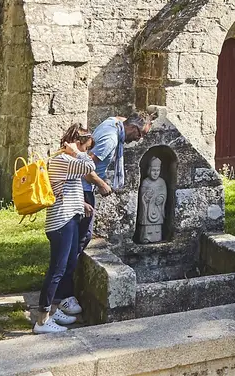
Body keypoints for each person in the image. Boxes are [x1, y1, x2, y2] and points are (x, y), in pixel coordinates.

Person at [37, 124, 112, 333]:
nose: (87, 152)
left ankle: (56, 310)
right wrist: (78, 153)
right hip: (61, 222)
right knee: (57, 270)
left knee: (67, 263)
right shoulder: (64, 160)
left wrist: (82, 204)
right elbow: (90, 168)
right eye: (85, 147)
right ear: (76, 143)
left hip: (67, 218)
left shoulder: (68, 161)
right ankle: (41, 320)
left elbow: (67, 188)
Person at [84, 112, 149, 233]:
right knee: (84, 234)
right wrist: (102, 184)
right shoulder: (110, 140)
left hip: (86, 185)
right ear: (133, 127)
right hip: (84, 188)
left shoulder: (114, 123)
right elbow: (85, 168)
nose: (139, 139)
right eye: (140, 135)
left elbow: (122, 119)